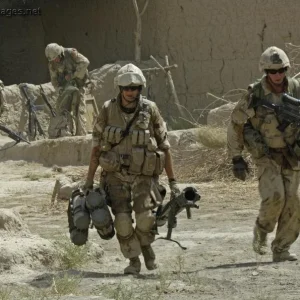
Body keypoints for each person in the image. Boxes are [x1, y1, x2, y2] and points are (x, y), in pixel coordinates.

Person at [84, 63, 180, 274]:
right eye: (127, 88)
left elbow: (165, 146)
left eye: (135, 88)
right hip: (115, 178)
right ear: (120, 88)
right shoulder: (108, 110)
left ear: (140, 88)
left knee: (146, 220)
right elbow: (96, 148)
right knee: (123, 222)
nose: (131, 92)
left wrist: (173, 182)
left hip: (144, 178)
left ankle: (145, 246)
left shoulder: (150, 109)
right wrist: (88, 181)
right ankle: (134, 261)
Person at [227, 46, 300, 262]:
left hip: (292, 154)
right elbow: (236, 124)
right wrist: (236, 158)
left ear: (286, 69)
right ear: (265, 72)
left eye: (281, 70)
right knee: (275, 197)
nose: (277, 75)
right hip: (266, 155)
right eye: (272, 71)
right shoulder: (255, 94)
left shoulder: (296, 90)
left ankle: (281, 248)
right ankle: (262, 229)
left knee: (295, 202)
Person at [45, 43, 89, 137]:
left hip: (78, 85)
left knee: (79, 109)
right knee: (62, 109)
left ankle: (81, 135)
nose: (55, 60)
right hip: (66, 88)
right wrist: (59, 89)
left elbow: (85, 62)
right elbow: (54, 80)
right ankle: (66, 133)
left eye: (56, 58)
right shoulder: (52, 64)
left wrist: (73, 75)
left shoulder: (70, 53)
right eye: (53, 60)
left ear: (60, 53)